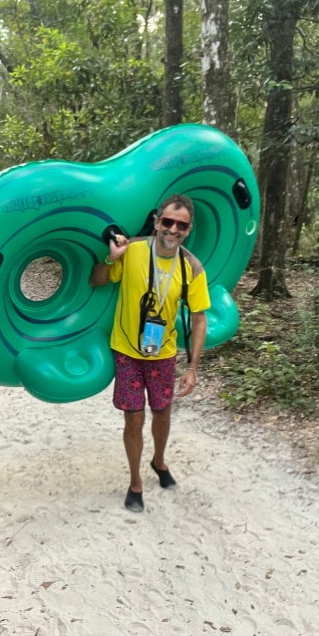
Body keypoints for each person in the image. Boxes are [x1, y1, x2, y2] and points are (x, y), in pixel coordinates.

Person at [89, 194, 210, 513]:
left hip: (163, 354)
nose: (173, 229)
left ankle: (159, 461)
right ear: (157, 222)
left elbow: (199, 318)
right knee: (134, 418)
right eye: (167, 222)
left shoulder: (192, 267)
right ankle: (135, 483)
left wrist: (193, 367)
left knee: (162, 412)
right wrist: (111, 258)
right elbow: (96, 280)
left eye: (181, 225)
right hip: (127, 352)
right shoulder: (132, 250)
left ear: (188, 230)